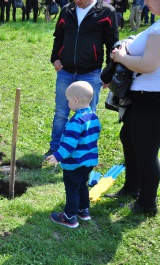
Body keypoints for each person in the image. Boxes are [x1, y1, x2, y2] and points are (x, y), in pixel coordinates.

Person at [104, 0, 160, 215]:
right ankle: (132, 188)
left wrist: (122, 57)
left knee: (146, 150)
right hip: (145, 95)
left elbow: (148, 65)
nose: (145, 2)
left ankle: (146, 203)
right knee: (128, 137)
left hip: (151, 97)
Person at [44, 0, 119, 158]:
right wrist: (55, 57)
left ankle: (85, 152)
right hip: (65, 71)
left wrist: (108, 72)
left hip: (91, 73)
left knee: (87, 116)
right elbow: (59, 37)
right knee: (61, 113)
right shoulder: (67, 10)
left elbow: (112, 44)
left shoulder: (107, 12)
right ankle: (55, 150)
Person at [46, 81, 101, 228]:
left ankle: (69, 217)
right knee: (82, 185)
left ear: (75, 101)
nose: (68, 103)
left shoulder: (76, 121)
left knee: (72, 189)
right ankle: (83, 211)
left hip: (75, 164)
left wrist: (57, 156)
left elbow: (70, 145)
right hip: (89, 162)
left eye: (68, 100)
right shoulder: (93, 117)